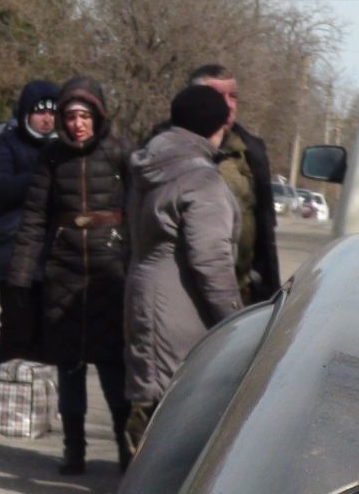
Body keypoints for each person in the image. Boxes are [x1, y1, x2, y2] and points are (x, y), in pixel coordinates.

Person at [5, 77, 132, 476]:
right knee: (70, 365)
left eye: (85, 116)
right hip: (64, 271)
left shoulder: (120, 153)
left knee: (113, 368)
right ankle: (73, 449)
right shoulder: (52, 157)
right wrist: (20, 277)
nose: (78, 124)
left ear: (98, 116)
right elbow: (34, 219)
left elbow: (139, 211)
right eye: (71, 116)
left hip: (111, 273)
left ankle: (127, 449)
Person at [124, 84, 243, 456]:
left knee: (150, 403)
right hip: (181, 305)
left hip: (144, 293)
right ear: (216, 127)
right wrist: (236, 322)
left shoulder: (153, 163)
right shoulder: (201, 178)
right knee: (174, 419)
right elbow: (211, 262)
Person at [169, 63, 281, 305]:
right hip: (183, 299)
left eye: (233, 97)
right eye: (219, 97)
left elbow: (264, 233)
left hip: (241, 298)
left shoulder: (251, 153)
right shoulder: (164, 151)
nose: (229, 105)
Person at [0, 80, 58, 364]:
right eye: (40, 112)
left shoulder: (65, 148)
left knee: (48, 334)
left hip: (54, 255)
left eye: (53, 112)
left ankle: (39, 402)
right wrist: (39, 179)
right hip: (14, 253)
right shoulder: (9, 143)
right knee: (17, 329)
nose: (47, 119)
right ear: (27, 113)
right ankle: (8, 400)